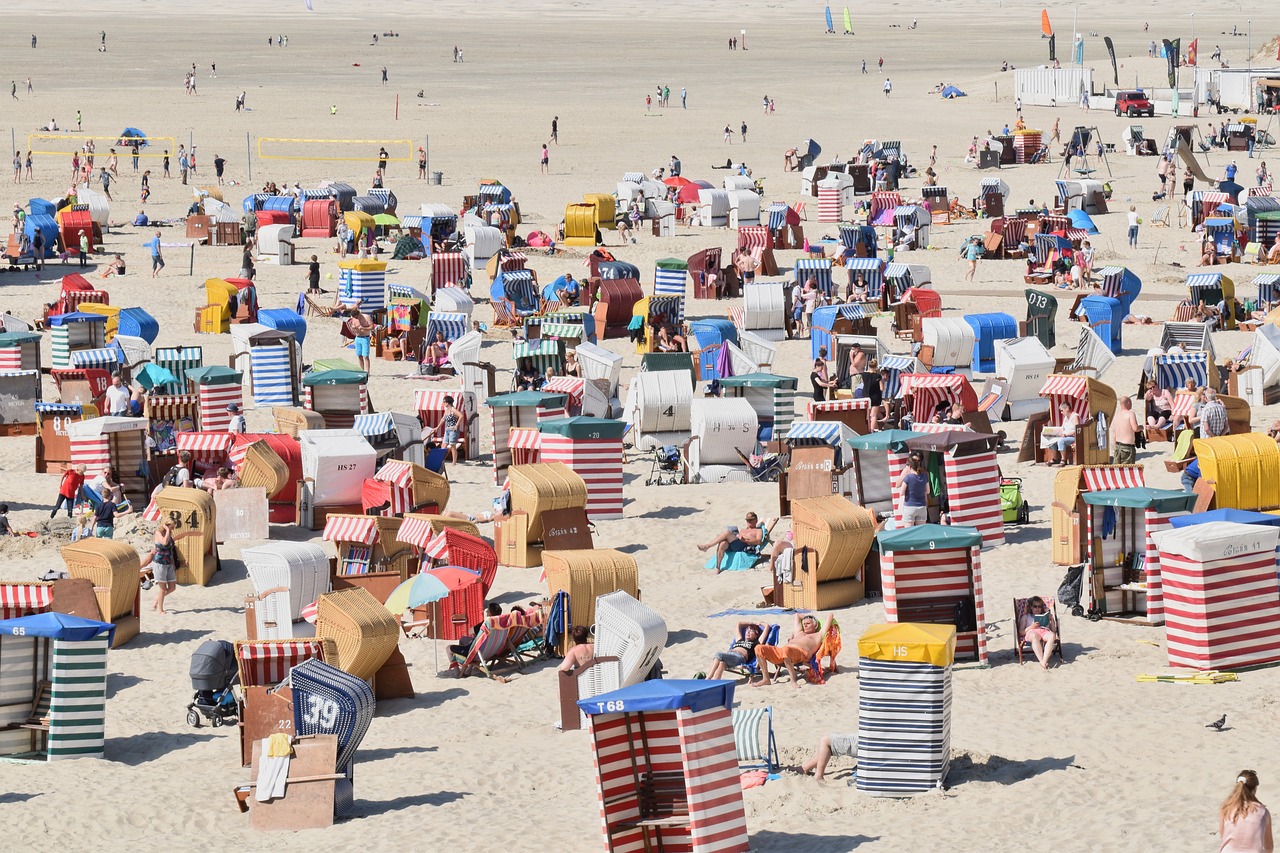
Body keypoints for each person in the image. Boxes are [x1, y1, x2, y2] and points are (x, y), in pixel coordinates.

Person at [753, 613, 823, 688]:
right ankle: (766, 679)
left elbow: (830, 616)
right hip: (783, 652)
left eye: (808, 623)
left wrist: (814, 619)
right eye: (804, 623)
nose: (805, 625)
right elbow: (797, 615)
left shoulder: (817, 635)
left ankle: (793, 680)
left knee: (786, 650)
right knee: (759, 648)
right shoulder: (799, 632)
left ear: (815, 625)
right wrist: (808, 618)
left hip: (800, 653)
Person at [697, 512, 774, 574]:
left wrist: (746, 540)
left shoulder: (758, 530)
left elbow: (759, 541)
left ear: (756, 520)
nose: (748, 522)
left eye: (751, 520)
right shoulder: (743, 530)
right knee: (723, 543)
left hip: (744, 546)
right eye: (747, 520)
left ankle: (708, 546)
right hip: (736, 543)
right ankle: (718, 568)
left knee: (727, 532)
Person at [1220, 770, 1273, 853]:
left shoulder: (1226, 808)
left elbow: (1223, 834)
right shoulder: (1263, 812)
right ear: (1255, 788)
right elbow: (1269, 846)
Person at [139, 521, 178, 613]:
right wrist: (168, 530)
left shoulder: (170, 533)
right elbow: (164, 542)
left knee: (172, 587)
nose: (173, 529)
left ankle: (157, 598)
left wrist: (173, 564)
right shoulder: (158, 533)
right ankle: (160, 609)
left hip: (169, 563)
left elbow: (171, 551)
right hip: (160, 563)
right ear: (166, 525)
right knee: (163, 588)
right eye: (172, 527)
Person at [1019, 596, 1058, 669]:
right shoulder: (1026, 617)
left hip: (1044, 631)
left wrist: (1051, 620)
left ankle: (1044, 661)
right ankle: (1042, 661)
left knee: (1052, 635)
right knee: (1034, 636)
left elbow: (1053, 630)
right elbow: (1021, 632)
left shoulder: (1045, 616)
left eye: (1039, 606)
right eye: (1035, 606)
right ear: (1031, 607)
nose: (1037, 608)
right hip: (1032, 632)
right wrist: (1032, 627)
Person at [898, 453, 929, 525]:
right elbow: (897, 484)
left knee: (909, 532)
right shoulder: (924, 475)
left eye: (918, 460)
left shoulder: (910, 476)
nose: (917, 462)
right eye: (915, 460)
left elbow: (901, 493)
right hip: (921, 505)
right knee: (921, 531)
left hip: (910, 505)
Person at [1111, 396, 1141, 464]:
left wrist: (1114, 448)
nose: (1131, 404)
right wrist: (1141, 427)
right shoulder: (1130, 414)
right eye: (1131, 402)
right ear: (1127, 403)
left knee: (1117, 470)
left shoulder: (1116, 415)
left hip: (1118, 445)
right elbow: (1135, 428)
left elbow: (1114, 433)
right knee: (1127, 471)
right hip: (1127, 446)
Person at [348, 307, 375, 372]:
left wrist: (364, 328)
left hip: (365, 337)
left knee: (365, 356)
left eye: (357, 317)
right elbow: (352, 326)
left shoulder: (366, 317)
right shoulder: (354, 318)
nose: (356, 318)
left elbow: (372, 327)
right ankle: (361, 370)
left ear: (359, 313)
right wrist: (353, 327)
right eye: (355, 317)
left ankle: (367, 372)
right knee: (359, 355)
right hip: (357, 338)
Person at [439, 395, 464, 464]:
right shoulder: (446, 410)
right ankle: (440, 460)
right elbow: (443, 419)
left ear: (447, 402)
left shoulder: (453, 409)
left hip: (453, 430)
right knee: (443, 445)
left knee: (452, 446)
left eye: (444, 402)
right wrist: (437, 427)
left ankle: (454, 462)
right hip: (447, 430)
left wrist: (456, 425)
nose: (443, 403)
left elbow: (461, 416)